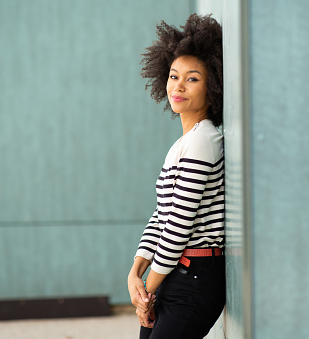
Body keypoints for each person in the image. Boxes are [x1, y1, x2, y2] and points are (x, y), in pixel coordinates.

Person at [127, 14, 225, 339]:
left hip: (195, 278)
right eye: (173, 76)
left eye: (192, 78)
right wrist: (136, 271)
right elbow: (161, 216)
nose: (178, 86)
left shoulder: (203, 140)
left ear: (213, 86)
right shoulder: (183, 143)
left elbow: (180, 225)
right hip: (173, 272)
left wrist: (147, 289)